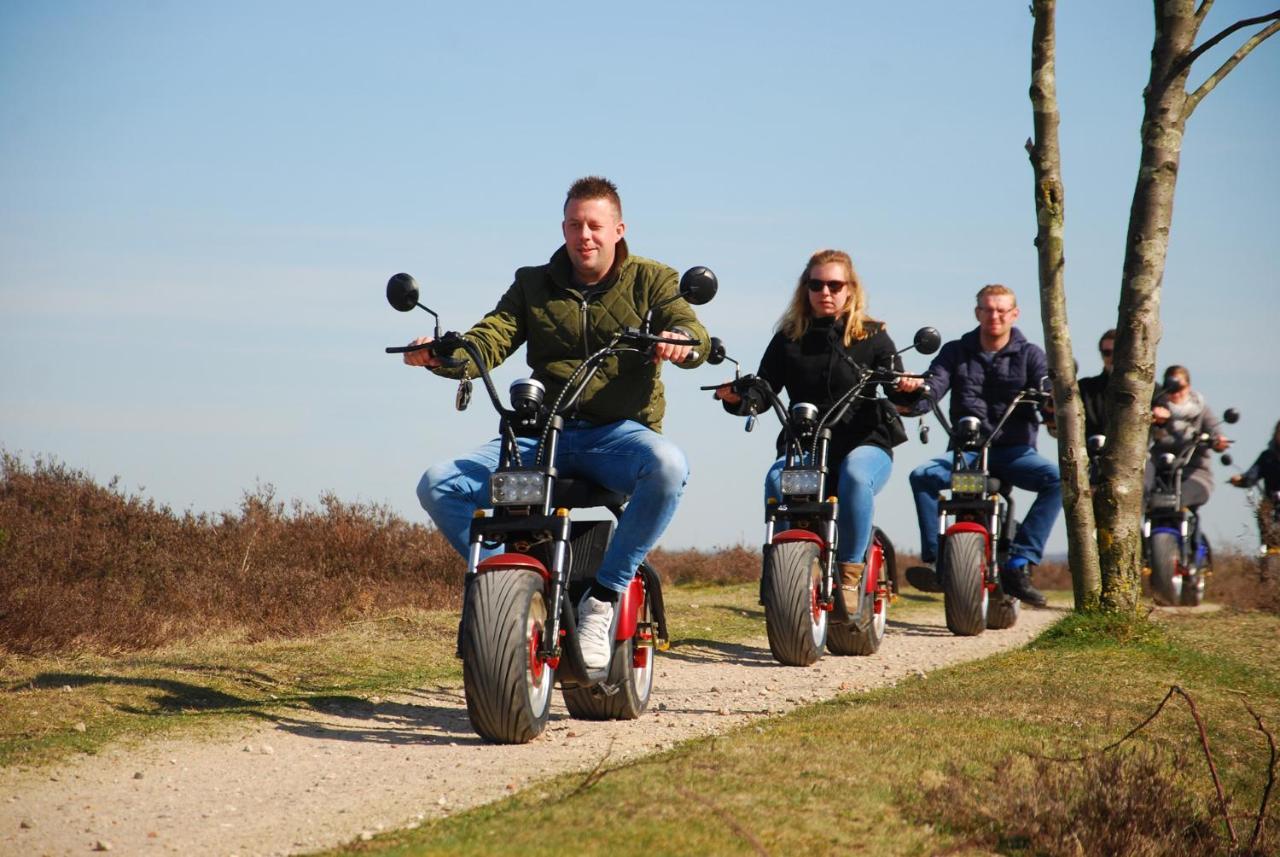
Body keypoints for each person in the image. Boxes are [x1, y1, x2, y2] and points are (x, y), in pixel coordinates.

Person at [403, 176, 710, 670]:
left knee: (669, 465)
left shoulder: (653, 279)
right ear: (563, 228)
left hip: (617, 436)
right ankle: (508, 577)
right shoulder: (532, 283)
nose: (584, 235)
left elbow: (692, 330)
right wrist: (443, 356)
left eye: (594, 225)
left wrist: (680, 339)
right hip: (539, 434)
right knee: (438, 484)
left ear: (618, 229)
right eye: (574, 224)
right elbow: (493, 336)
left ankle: (603, 599)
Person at [713, 249, 922, 617]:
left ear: (850, 289)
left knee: (856, 476)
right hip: (806, 443)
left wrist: (908, 386)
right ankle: (780, 570)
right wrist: (736, 398)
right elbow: (764, 391)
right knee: (777, 480)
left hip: (864, 441)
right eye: (816, 284)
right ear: (805, 289)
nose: (825, 291)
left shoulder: (873, 336)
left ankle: (850, 575)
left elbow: (895, 387)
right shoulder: (789, 338)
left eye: (834, 284)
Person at [903, 284, 1060, 608]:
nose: (995, 316)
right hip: (967, 453)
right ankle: (937, 561)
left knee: (1058, 479)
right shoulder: (955, 351)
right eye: (988, 309)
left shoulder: (1031, 354)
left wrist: (1052, 401)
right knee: (922, 475)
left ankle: (1020, 562)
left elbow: (1047, 390)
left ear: (1014, 314)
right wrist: (910, 395)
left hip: (1015, 451)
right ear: (977, 313)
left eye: (1002, 310)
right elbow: (934, 386)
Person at [1147, 364, 1231, 520]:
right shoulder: (1156, 410)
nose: (1177, 393)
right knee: (1144, 498)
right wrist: (1155, 420)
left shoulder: (1202, 410)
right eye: (1171, 388)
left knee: (1175, 500)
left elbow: (1215, 431)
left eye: (1181, 387)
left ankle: (1191, 540)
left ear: (1189, 386)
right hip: (1160, 475)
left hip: (1195, 474)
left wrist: (1218, 441)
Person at [1230, 419, 1280, 547]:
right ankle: (1267, 550)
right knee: (1263, 511)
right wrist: (1241, 479)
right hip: (1272, 502)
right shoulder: (1267, 456)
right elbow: (1252, 475)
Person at [1077, 328, 1115, 440]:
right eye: (1107, 353)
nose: (1113, 357)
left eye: (1118, 352)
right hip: (1091, 454)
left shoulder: (1150, 391)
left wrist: (1161, 422)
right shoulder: (1085, 388)